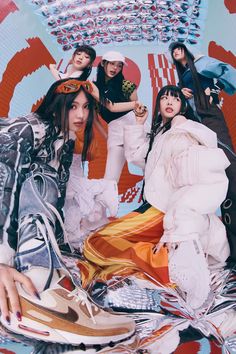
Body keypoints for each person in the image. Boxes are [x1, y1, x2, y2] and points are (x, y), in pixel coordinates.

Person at [0, 78, 135, 345]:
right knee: (40, 180)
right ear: (55, 105)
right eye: (73, 106)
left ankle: (45, 280)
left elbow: (50, 207)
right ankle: (40, 288)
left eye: (86, 107)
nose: (81, 115)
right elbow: (4, 181)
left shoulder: (63, 143)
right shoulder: (30, 127)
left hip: (20, 237)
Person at [82, 85, 230, 310]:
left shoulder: (183, 133)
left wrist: (179, 228)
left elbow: (193, 183)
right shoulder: (163, 133)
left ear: (183, 106)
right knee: (102, 256)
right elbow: (137, 156)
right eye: (164, 98)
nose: (170, 101)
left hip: (162, 211)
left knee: (96, 243)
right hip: (151, 207)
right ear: (158, 105)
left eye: (176, 98)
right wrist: (139, 124)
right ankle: (135, 281)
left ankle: (165, 265)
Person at [169, 41, 236, 263]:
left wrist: (222, 89)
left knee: (229, 166)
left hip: (209, 115)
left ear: (186, 50)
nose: (176, 53)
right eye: (173, 52)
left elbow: (226, 70)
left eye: (179, 48)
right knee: (212, 177)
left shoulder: (201, 62)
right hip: (196, 123)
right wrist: (181, 92)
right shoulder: (184, 75)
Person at [94, 50, 140, 182]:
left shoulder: (126, 85)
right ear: (103, 63)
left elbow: (136, 110)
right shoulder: (95, 88)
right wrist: (106, 135)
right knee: (110, 178)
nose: (115, 68)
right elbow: (96, 117)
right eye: (112, 64)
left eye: (119, 65)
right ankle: (109, 202)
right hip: (114, 129)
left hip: (132, 124)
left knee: (146, 161)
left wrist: (138, 126)